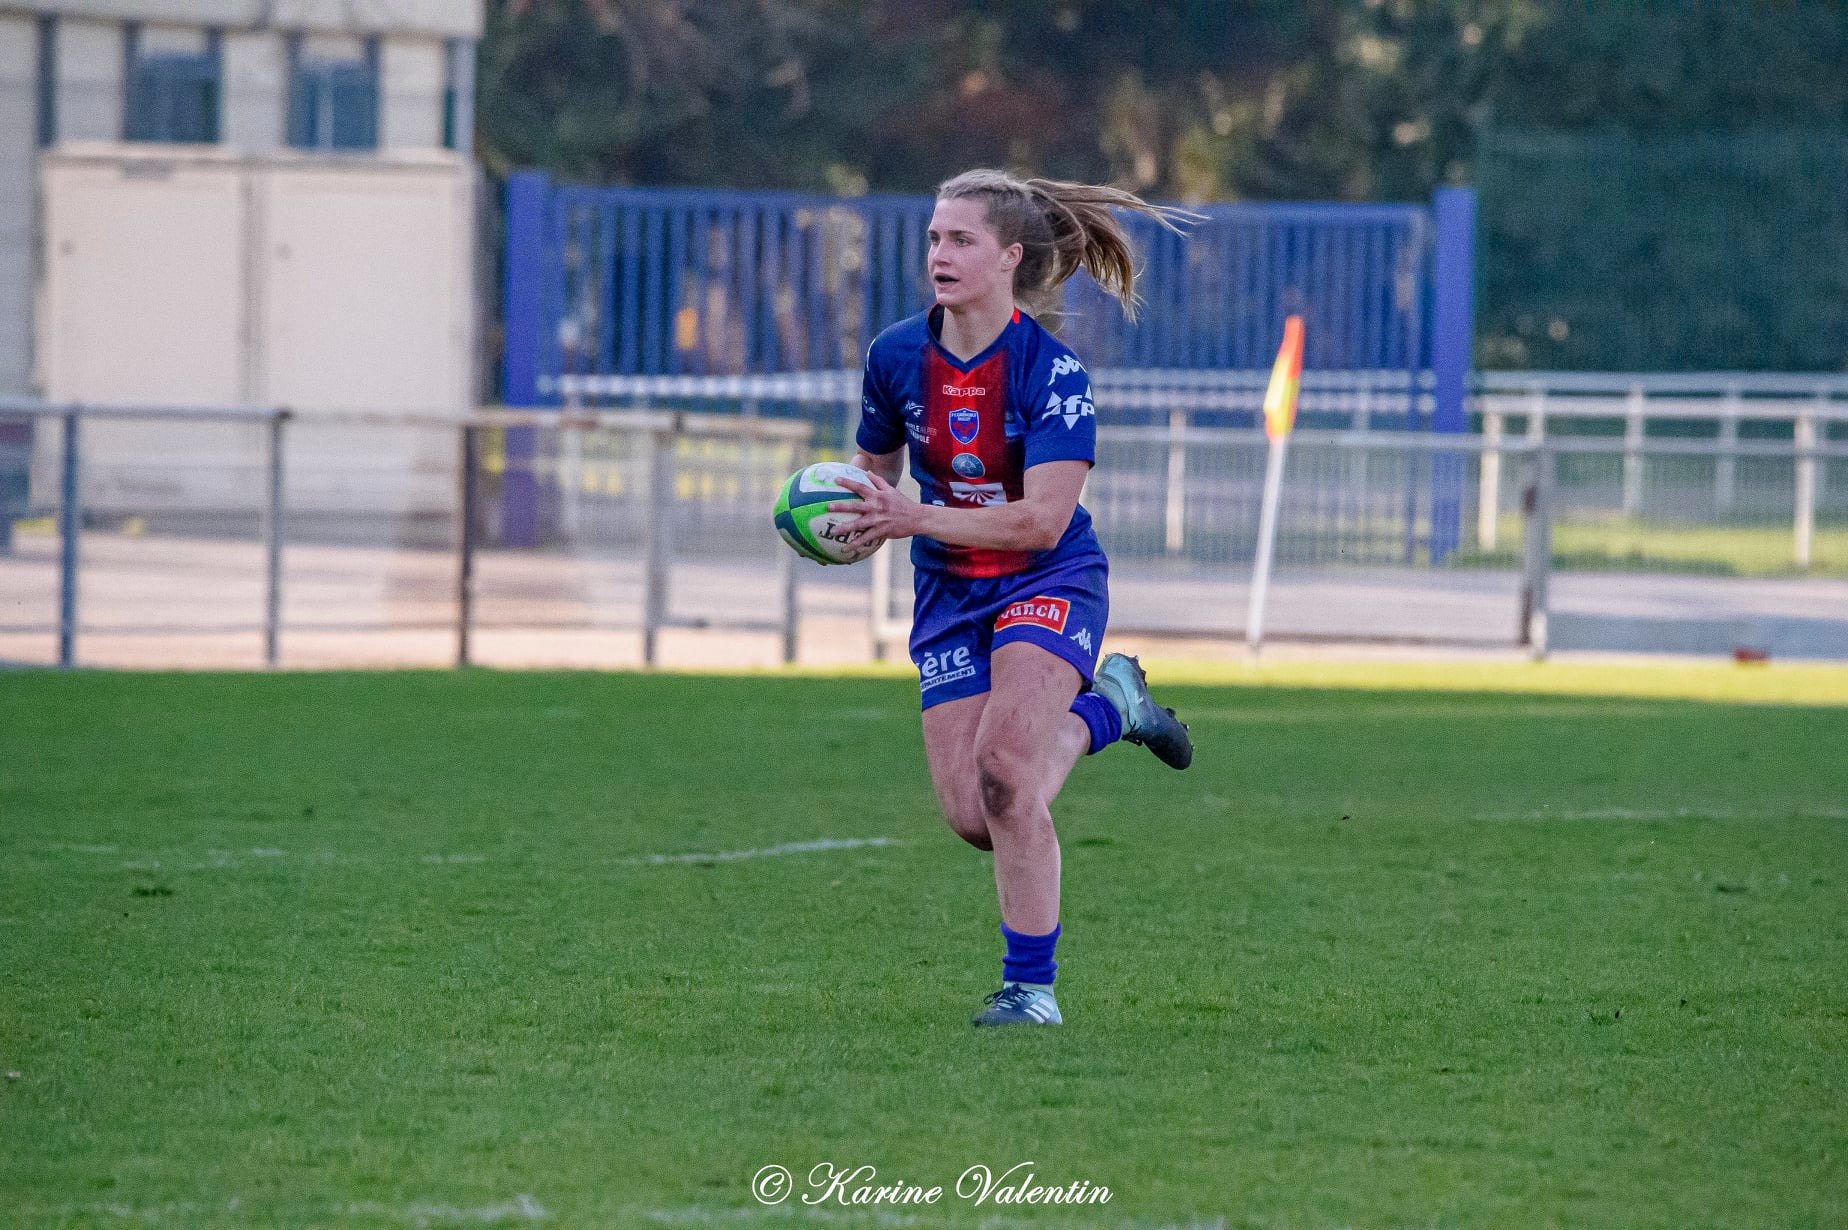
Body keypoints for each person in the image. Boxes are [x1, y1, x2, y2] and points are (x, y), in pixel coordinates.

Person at [832, 169, 1196, 1028]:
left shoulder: (1053, 371)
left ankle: (1030, 991)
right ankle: (1111, 708)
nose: (940, 255)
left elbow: (1041, 520)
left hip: (1048, 579)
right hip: (951, 594)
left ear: (1009, 256)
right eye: (933, 238)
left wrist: (913, 514)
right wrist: (844, 512)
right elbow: (874, 468)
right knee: (974, 814)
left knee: (1006, 773)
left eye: (961, 240)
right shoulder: (895, 356)